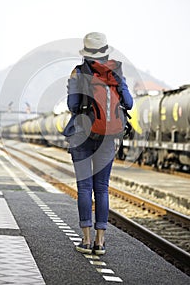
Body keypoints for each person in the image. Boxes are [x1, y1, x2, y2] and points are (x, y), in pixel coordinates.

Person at [63, 32, 133, 255]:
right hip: (109, 138)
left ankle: (85, 239)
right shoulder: (116, 73)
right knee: (102, 188)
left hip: (82, 136)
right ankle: (100, 242)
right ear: (105, 51)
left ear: (85, 52)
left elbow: (73, 106)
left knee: (84, 187)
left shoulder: (78, 72)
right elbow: (129, 104)